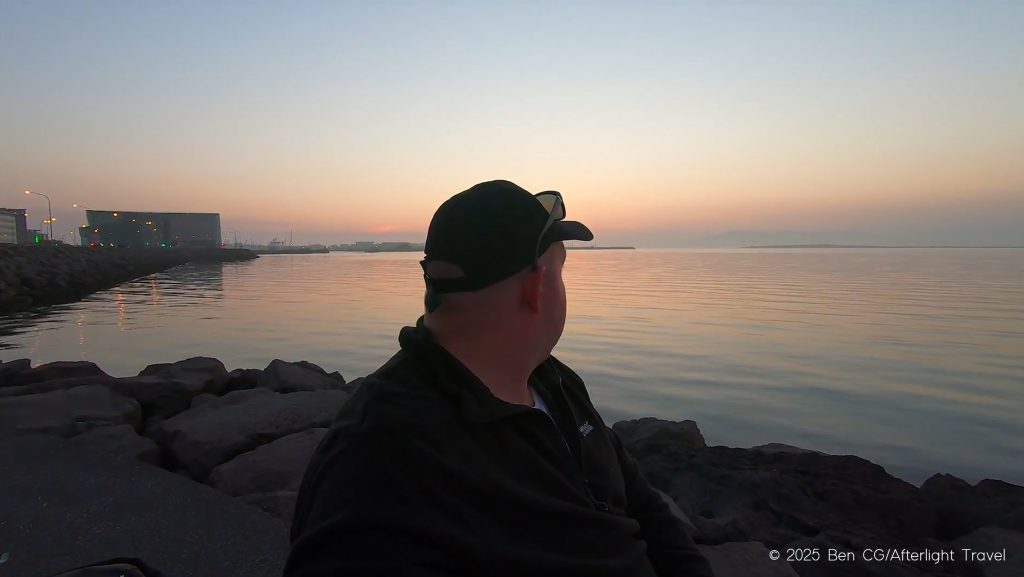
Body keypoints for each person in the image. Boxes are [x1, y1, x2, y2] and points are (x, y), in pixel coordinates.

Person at [285, 180, 714, 577]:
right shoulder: (381, 460)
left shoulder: (553, 381)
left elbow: (645, 507)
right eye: (561, 271)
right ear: (536, 287)